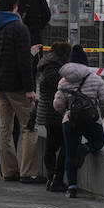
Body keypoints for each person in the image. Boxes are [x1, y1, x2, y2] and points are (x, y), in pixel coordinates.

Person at [0, 0, 39, 182]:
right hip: (17, 86)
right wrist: (30, 88)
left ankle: (8, 170)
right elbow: (23, 62)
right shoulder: (19, 29)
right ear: (15, 6)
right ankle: (27, 172)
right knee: (29, 127)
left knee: (4, 128)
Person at [54, 45, 104, 199]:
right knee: (99, 141)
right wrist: (100, 116)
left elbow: (57, 104)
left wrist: (66, 114)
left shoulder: (63, 81)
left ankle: (72, 188)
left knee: (70, 154)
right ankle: (85, 149)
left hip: (70, 120)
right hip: (90, 119)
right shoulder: (95, 78)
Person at [37, 41, 72, 192]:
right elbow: (59, 84)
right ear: (63, 53)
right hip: (54, 113)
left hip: (49, 111)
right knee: (61, 145)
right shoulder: (53, 66)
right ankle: (55, 178)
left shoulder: (48, 62)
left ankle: (52, 178)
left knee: (52, 145)